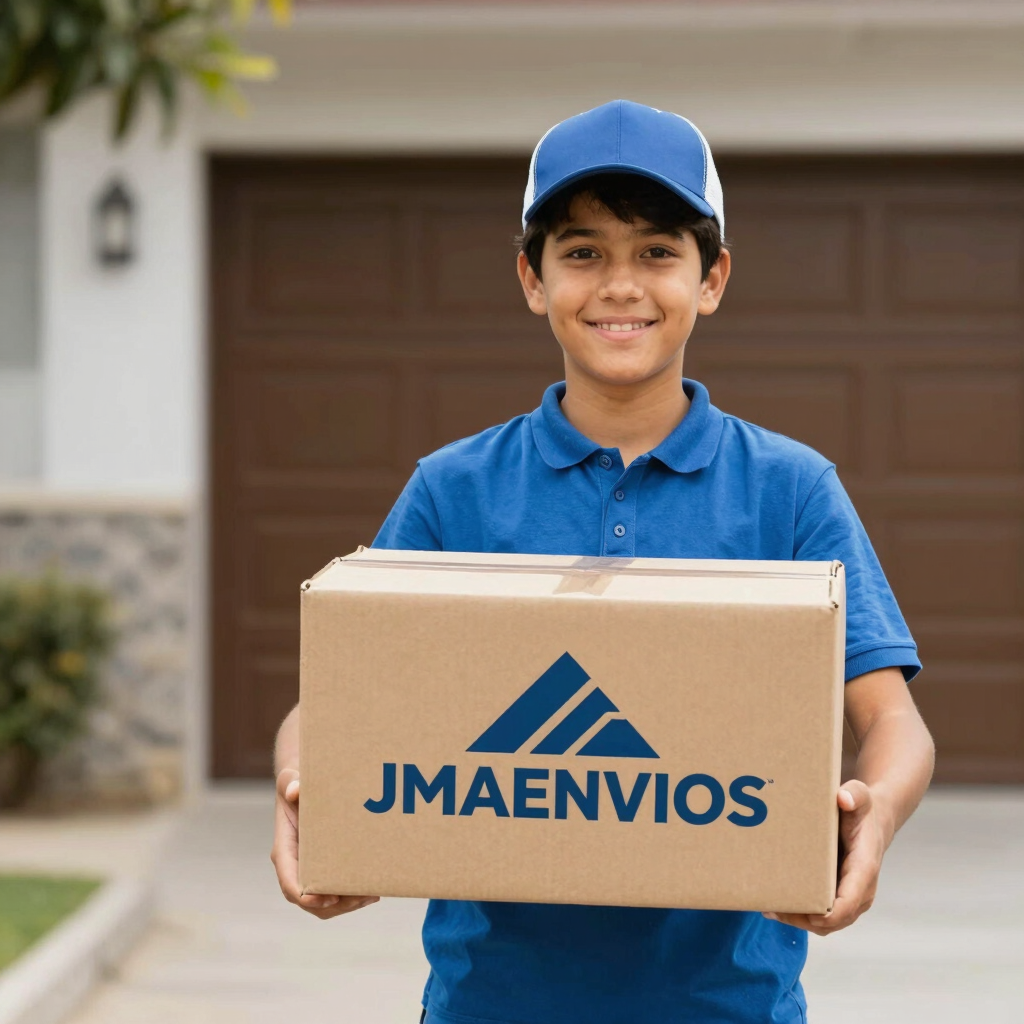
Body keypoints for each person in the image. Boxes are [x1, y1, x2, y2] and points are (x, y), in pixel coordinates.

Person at [271, 99, 935, 1024]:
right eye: (582, 253)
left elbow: (893, 719)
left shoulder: (788, 489)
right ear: (532, 280)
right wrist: (308, 794)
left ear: (712, 280)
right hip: (489, 1002)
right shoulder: (453, 489)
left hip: (729, 1004)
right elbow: (328, 705)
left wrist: (880, 814)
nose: (620, 285)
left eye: (658, 252)